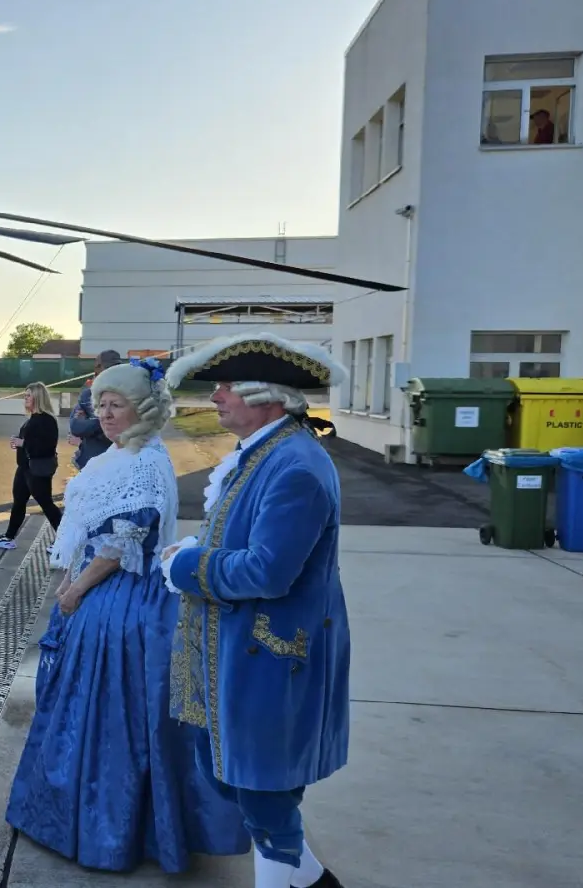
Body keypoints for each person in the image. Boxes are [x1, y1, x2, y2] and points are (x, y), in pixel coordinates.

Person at [6, 358, 248, 872]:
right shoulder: (121, 454)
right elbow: (96, 535)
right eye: (101, 405)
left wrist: (75, 591)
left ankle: (110, 830)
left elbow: (121, 543)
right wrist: (71, 580)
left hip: (125, 604)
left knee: (112, 717)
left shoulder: (143, 463)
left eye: (117, 405)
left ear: (143, 409)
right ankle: (83, 817)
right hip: (106, 596)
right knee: (91, 710)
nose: (106, 414)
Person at [159, 332, 351, 888]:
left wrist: (185, 566)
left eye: (226, 386)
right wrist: (197, 552)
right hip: (243, 653)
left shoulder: (295, 465)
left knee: (265, 799)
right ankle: (314, 882)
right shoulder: (269, 452)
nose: (214, 396)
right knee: (242, 784)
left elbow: (267, 571)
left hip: (271, 656)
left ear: (266, 395)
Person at [0, 382, 62, 550]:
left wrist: (23, 443)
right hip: (25, 467)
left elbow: (47, 447)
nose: (26, 398)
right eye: (25, 395)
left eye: (29, 395)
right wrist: (18, 442)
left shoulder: (46, 420)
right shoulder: (33, 418)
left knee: (46, 503)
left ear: (38, 397)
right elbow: (31, 440)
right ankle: (9, 537)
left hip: (37, 468)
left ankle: (64, 540)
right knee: (19, 502)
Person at [68, 350, 123, 470]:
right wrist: (105, 422)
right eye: (108, 368)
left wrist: (92, 424)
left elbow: (117, 433)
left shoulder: (127, 394)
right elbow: (76, 427)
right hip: (89, 463)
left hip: (116, 464)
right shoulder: (87, 394)